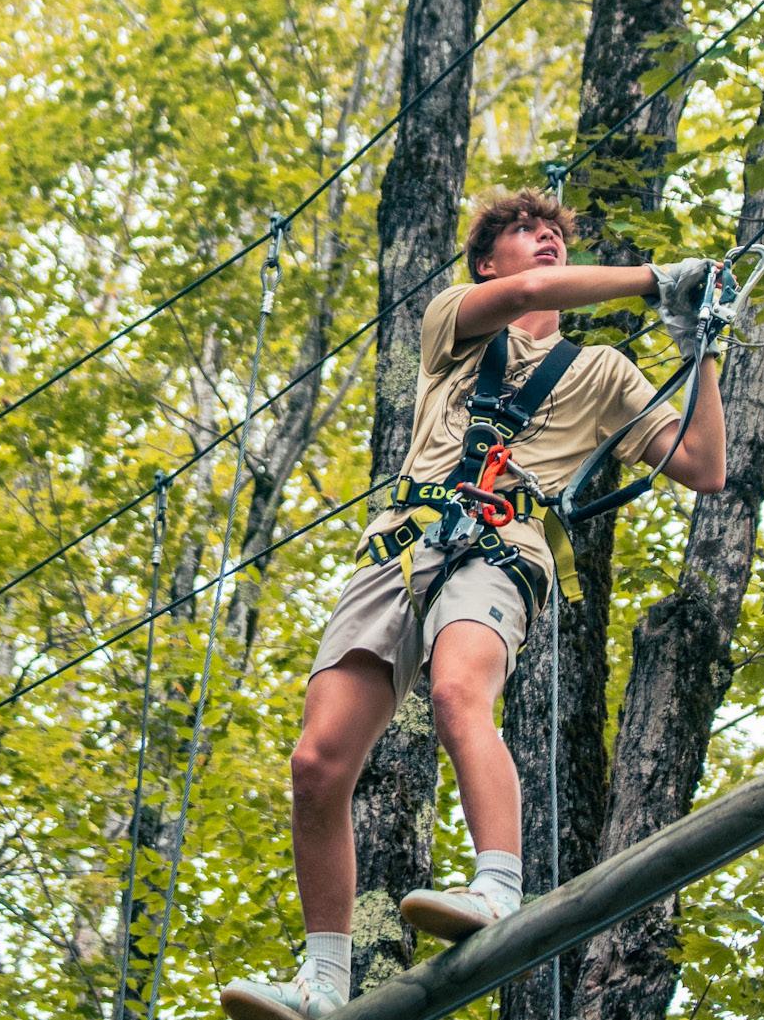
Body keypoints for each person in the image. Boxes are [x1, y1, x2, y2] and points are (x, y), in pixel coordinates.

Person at [221, 189, 727, 1020]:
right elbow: (528, 295)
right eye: (527, 231)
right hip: (400, 546)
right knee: (316, 765)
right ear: (486, 263)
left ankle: (497, 883)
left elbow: (704, 465)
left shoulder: (603, 372)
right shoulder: (454, 325)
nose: (547, 240)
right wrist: (654, 279)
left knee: (460, 691)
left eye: (556, 233)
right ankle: (323, 979)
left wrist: (700, 345)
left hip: (501, 545)